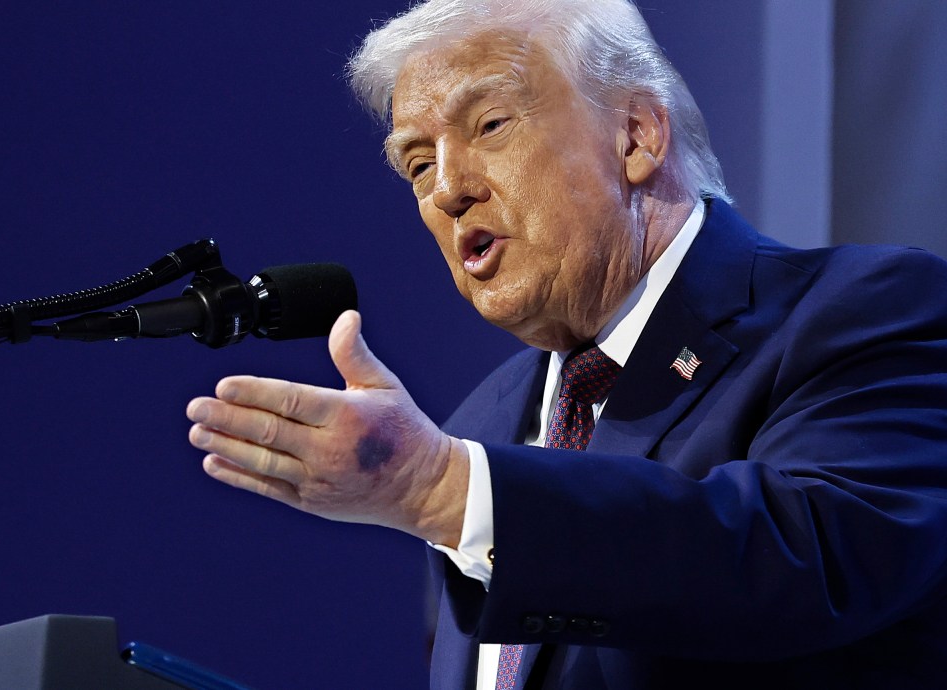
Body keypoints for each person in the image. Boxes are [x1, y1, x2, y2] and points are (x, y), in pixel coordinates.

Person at [185, 1, 947, 687]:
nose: (447, 189)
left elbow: (819, 558)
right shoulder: (482, 423)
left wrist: (444, 492)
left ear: (636, 135)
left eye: (489, 126)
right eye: (418, 164)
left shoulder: (865, 308)